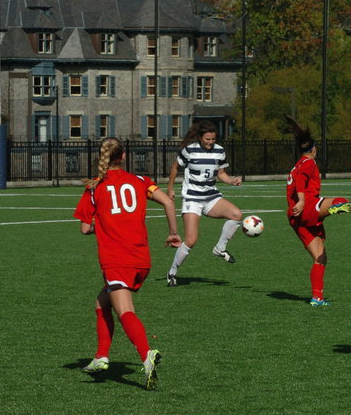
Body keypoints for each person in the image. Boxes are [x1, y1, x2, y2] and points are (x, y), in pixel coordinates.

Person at [73, 137, 182, 390]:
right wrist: (173, 233)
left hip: (116, 259)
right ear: (123, 156)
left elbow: (85, 228)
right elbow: (168, 201)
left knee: (125, 311)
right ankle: (101, 357)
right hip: (141, 259)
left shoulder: (94, 187)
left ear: (101, 157)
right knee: (102, 302)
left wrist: (103, 225)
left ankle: (146, 355)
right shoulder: (141, 181)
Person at [285, 116, 351, 306]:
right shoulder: (308, 163)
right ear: (314, 149)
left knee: (320, 257)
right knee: (342, 201)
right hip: (307, 207)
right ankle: (335, 208)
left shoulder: (297, 165)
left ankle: (317, 298)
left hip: (295, 218)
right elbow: (301, 181)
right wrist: (302, 200)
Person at [165, 121, 243, 286]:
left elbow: (221, 173)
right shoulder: (189, 150)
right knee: (191, 240)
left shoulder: (219, 151)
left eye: (213, 139)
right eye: (207, 139)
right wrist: (170, 188)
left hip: (211, 196)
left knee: (236, 214)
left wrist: (232, 181)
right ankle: (172, 272)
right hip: (192, 198)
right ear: (200, 137)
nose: (210, 142)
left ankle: (220, 248)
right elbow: (175, 167)